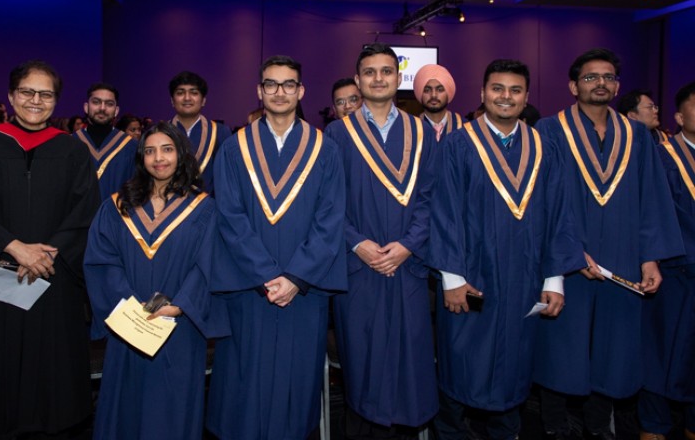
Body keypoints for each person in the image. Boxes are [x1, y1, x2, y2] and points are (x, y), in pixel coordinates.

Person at [0, 60, 101, 439]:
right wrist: (15, 247)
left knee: (52, 369)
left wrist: (48, 253)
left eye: (46, 94)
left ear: (56, 101)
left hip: (53, 272)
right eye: (27, 92)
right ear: (11, 96)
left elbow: (85, 211)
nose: (36, 100)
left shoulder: (72, 151)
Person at [429, 60, 585, 440]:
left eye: (515, 90)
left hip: (524, 278)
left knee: (513, 367)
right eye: (497, 88)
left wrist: (555, 279)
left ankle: (507, 434)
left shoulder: (546, 145)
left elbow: (560, 213)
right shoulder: (457, 144)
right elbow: (443, 212)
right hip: (471, 277)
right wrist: (451, 278)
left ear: (526, 97)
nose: (506, 97)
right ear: (482, 94)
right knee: (460, 363)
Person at [533, 48, 683, 440]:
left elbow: (652, 199)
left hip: (623, 259)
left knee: (613, 350)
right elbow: (540, 200)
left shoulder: (636, 135)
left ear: (617, 85)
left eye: (608, 77)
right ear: (572, 85)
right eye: (590, 77)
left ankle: (600, 428)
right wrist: (567, 253)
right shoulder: (549, 131)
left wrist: (650, 259)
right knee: (560, 348)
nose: (600, 83)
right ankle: (554, 429)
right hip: (567, 261)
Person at [206, 55, 346, 440]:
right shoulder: (234, 147)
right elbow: (229, 217)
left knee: (297, 379)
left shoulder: (325, 149)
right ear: (259, 91)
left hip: (305, 290)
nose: (279, 92)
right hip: (251, 287)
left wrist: (296, 277)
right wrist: (268, 276)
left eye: (288, 85)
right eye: (271, 84)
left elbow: (331, 219)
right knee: (245, 376)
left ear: (301, 91)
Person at [325, 42, 439, 435]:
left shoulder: (421, 131)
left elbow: (431, 197)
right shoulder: (337, 134)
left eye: (386, 71)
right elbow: (327, 204)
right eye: (370, 72)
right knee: (363, 363)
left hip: (407, 266)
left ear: (399, 79)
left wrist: (408, 245)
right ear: (358, 80)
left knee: (410, 364)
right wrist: (358, 243)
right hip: (359, 267)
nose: (378, 78)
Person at [84, 121, 225, 439]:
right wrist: (130, 306)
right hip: (130, 322)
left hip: (179, 325)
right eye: (149, 151)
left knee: (172, 406)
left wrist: (180, 306)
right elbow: (102, 261)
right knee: (126, 402)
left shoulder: (204, 210)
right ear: (141, 158)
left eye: (167, 149)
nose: (158, 158)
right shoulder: (117, 206)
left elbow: (210, 265)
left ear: (182, 155)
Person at [638, 81, 695, 440]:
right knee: (661, 349)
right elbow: (653, 214)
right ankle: (654, 425)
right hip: (675, 270)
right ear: (678, 116)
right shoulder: (662, 156)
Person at [168, 71, 229, 194]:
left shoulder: (220, 132)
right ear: (172, 101)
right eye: (180, 93)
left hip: (209, 207)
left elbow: (227, 178)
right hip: (169, 207)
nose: (187, 98)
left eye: (194, 93)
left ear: (203, 101)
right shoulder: (160, 133)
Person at [74, 82, 137, 200]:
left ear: (116, 110)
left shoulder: (131, 147)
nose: (102, 108)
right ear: (86, 107)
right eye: (96, 102)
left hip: (117, 217)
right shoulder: (70, 144)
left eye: (109, 104)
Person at [413, 63, 463, 142]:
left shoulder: (465, 128)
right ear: (420, 93)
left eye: (440, 90)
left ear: (448, 93)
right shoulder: (412, 130)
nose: (433, 95)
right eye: (427, 90)